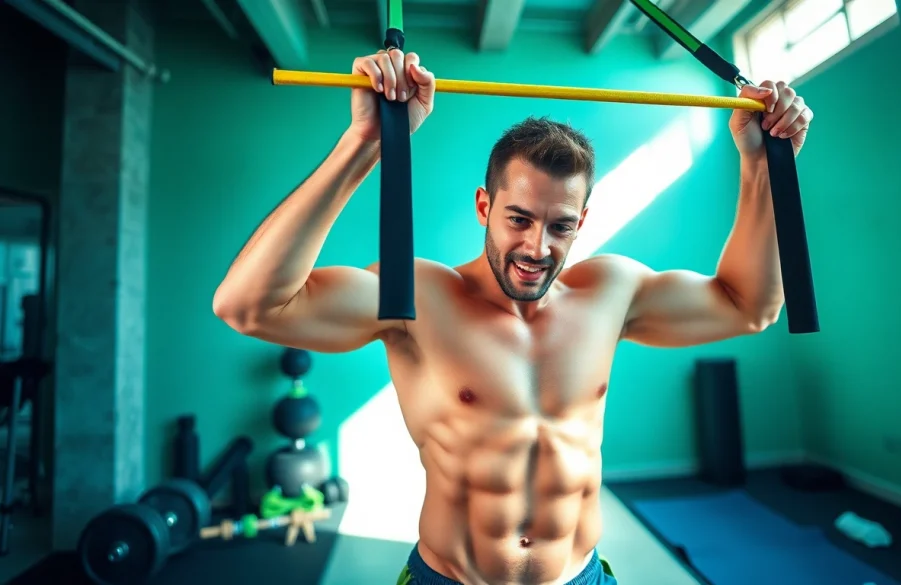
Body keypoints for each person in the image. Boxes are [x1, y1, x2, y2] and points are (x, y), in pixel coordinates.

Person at [213, 48, 813, 585]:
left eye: (560, 226)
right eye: (519, 219)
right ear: (484, 206)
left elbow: (750, 307)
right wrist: (366, 142)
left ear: (583, 221)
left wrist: (760, 163)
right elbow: (247, 306)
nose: (536, 248)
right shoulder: (417, 296)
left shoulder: (611, 292)